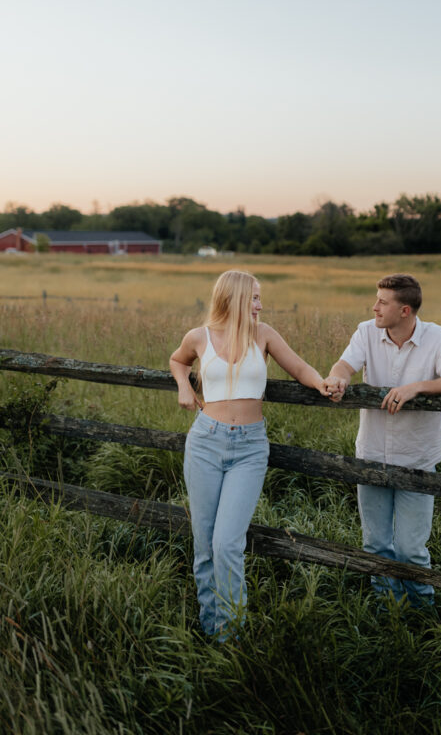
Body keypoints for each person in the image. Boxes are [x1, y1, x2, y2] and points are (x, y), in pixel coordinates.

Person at [170, 269, 328, 642]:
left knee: (227, 544)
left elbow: (300, 367)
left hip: (249, 448)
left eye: (260, 297)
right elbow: (179, 361)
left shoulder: (264, 335)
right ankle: (213, 630)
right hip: (206, 441)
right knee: (205, 544)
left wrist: (322, 382)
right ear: (234, 297)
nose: (260, 304)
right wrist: (182, 386)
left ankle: (233, 634)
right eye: (254, 297)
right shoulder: (199, 337)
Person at [324, 273, 441, 610]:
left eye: (382, 302)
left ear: (405, 311)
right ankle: (386, 609)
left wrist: (416, 386)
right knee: (375, 543)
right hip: (372, 454)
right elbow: (345, 364)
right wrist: (338, 378)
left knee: (409, 549)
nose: (374, 307)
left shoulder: (438, 338)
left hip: (417, 458)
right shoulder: (365, 332)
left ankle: (421, 614)